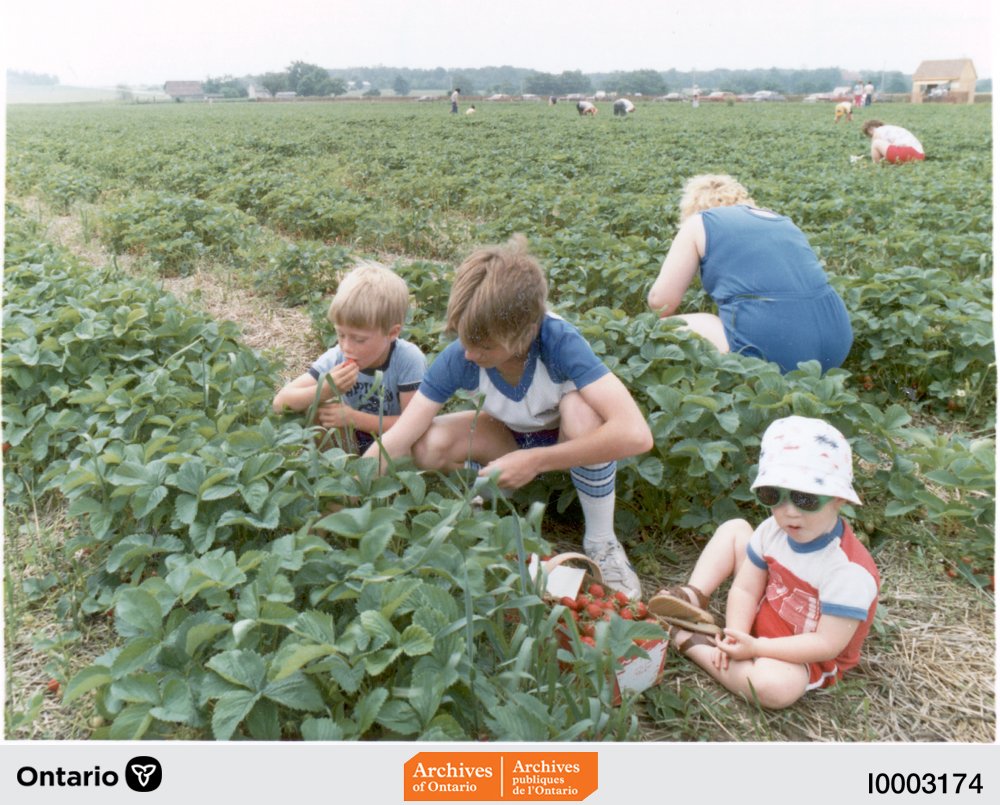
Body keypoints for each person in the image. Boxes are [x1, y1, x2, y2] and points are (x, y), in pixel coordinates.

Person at [361, 235, 653, 597]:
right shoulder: (463, 353)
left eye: (483, 347)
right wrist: (347, 491)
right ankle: (495, 491)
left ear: (527, 332)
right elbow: (401, 436)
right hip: (509, 436)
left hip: (565, 438)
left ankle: (601, 540)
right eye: (465, 341)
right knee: (429, 443)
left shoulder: (559, 342)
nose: (469, 354)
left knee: (582, 413)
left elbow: (636, 433)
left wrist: (535, 460)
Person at [649, 415, 880, 709]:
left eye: (806, 499)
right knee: (735, 529)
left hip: (803, 655)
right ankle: (694, 594)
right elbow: (746, 589)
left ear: (839, 499)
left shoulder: (848, 572)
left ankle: (690, 641)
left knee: (773, 689)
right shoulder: (774, 529)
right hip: (764, 614)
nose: (789, 512)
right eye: (773, 495)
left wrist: (757, 648)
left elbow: (826, 644)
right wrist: (738, 634)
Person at [647, 174, 853, 373]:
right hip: (837, 341)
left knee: (665, 325)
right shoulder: (782, 221)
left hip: (775, 350)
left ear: (691, 207)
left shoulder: (699, 222)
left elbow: (661, 303)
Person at [272, 262, 426, 453]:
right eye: (341, 334)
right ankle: (338, 470)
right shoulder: (336, 356)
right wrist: (326, 389)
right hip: (349, 442)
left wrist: (354, 419)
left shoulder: (407, 359)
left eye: (359, 339)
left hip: (392, 445)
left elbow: (414, 425)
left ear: (392, 332)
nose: (346, 347)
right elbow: (280, 403)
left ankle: (372, 476)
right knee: (320, 404)